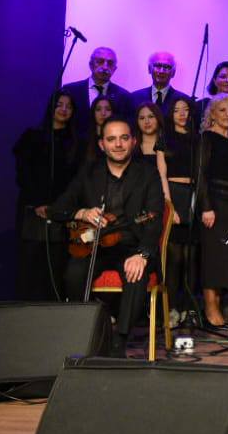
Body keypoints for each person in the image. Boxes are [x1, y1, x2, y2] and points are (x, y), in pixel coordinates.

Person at [47, 115, 165, 356]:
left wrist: (142, 254)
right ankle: (89, 333)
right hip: (96, 247)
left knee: (135, 274)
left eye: (124, 138)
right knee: (73, 273)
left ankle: (119, 341)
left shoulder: (148, 174)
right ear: (102, 144)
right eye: (111, 139)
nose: (118, 144)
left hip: (134, 246)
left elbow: (154, 219)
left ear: (133, 141)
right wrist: (82, 212)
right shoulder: (88, 174)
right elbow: (56, 209)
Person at [12, 91, 79, 302]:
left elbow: (74, 180)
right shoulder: (32, 136)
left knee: (57, 262)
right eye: (59, 105)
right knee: (30, 261)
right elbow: (23, 173)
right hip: (33, 208)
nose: (63, 109)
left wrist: (57, 206)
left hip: (60, 211)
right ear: (51, 107)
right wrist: (38, 202)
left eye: (68, 106)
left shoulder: (74, 143)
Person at [196, 94, 228, 327]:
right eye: (222, 110)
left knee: (225, 259)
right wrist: (206, 207)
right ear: (212, 114)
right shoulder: (207, 138)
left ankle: (217, 308)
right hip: (214, 206)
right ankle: (210, 312)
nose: (227, 114)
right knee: (213, 259)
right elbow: (201, 175)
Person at [161, 97, 199, 318]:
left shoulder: (196, 138)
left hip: (193, 194)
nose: (182, 114)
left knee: (191, 257)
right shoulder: (164, 138)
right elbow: (162, 174)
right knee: (175, 258)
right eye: (177, 110)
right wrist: (170, 206)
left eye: (185, 110)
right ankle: (173, 307)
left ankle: (188, 307)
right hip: (173, 195)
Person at [60, 45, 130, 132]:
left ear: (114, 69)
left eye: (110, 63)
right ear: (91, 65)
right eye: (100, 61)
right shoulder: (71, 90)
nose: (105, 67)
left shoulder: (124, 97)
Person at [132, 51, 190, 120]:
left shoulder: (183, 100)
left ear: (173, 73)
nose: (162, 71)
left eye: (167, 67)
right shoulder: (134, 98)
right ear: (149, 69)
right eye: (158, 66)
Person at [83, 95, 117, 162]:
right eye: (98, 109)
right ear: (93, 112)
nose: (103, 113)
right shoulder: (83, 139)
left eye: (108, 109)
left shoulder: (118, 139)